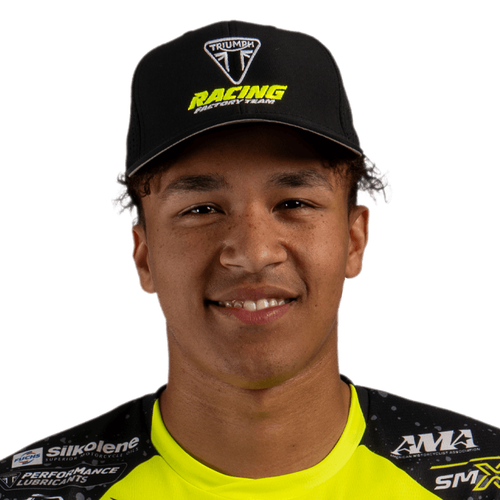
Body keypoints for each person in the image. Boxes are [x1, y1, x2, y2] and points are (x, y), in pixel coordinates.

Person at [1, 20, 497, 500]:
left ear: (354, 239)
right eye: (201, 209)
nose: (254, 254)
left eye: (294, 203)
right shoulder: (31, 490)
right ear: (143, 255)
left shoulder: (483, 479)